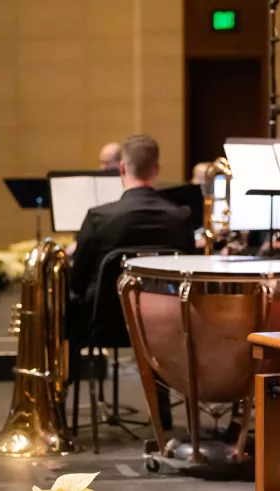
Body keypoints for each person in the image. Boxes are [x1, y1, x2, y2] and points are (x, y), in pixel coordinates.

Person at [71, 134, 194, 431]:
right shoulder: (180, 217)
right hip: (164, 325)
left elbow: (77, 279)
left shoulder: (99, 217)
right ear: (157, 169)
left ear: (122, 170)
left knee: (69, 307)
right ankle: (163, 418)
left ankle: (65, 413)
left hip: (103, 325)